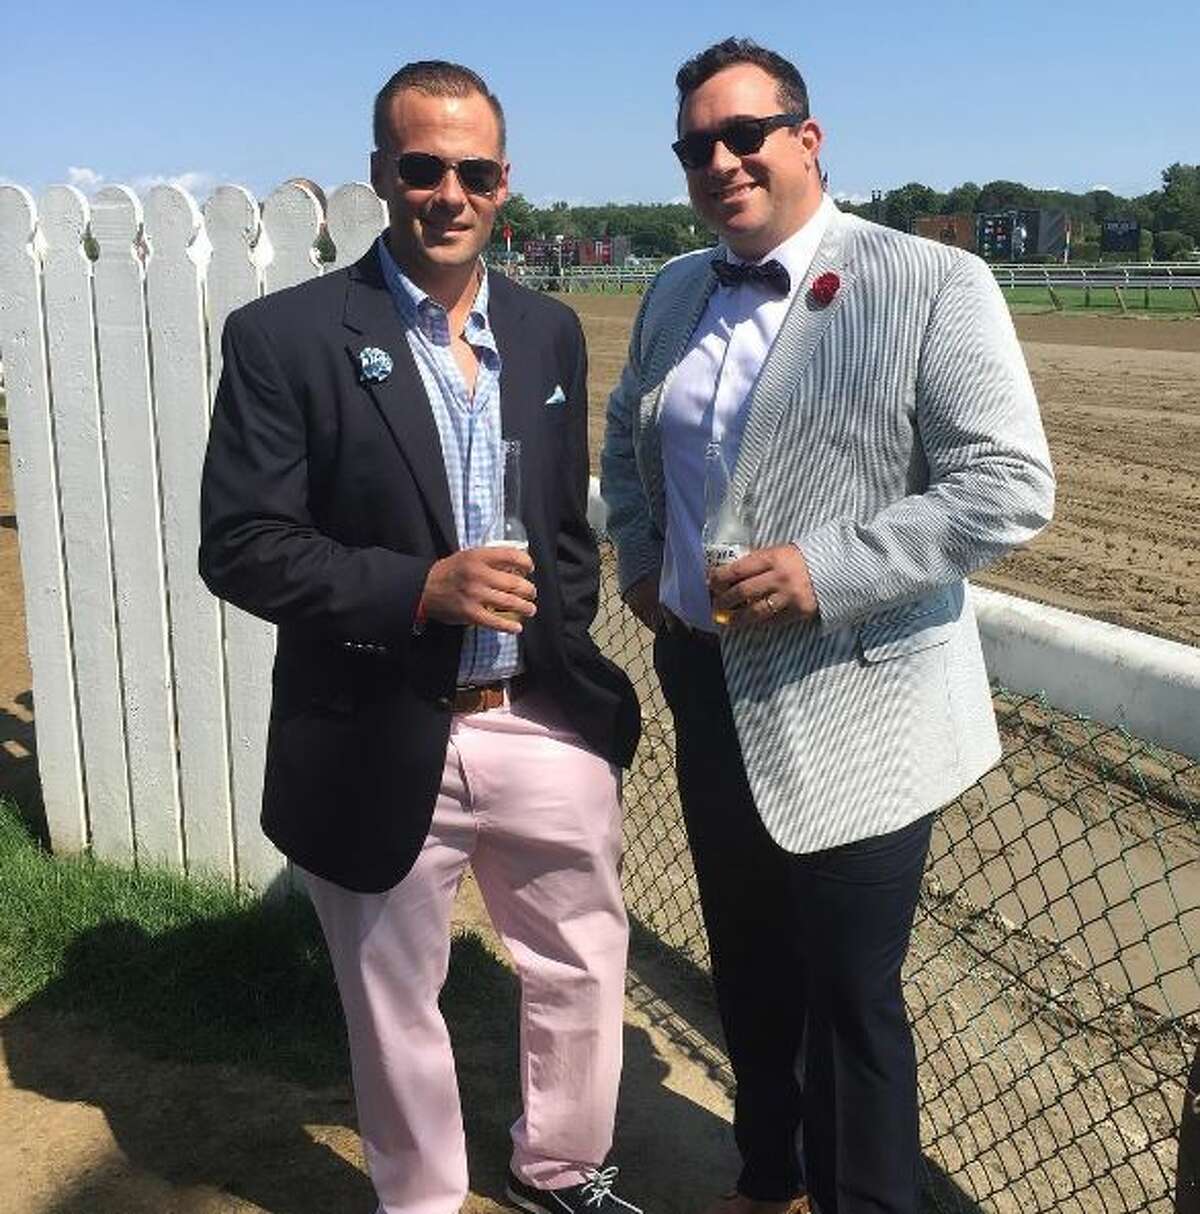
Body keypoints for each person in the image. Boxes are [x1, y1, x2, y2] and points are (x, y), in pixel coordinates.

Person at [601, 37, 1054, 1214]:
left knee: (854, 1003)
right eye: (697, 143)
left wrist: (826, 569)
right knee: (749, 975)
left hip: (860, 698)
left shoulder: (931, 281)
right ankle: (768, 1182)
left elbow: (1006, 482)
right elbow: (625, 436)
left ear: (807, 139)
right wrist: (646, 558)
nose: (721, 159)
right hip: (707, 683)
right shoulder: (671, 290)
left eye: (744, 133)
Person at [200, 59, 643, 1214]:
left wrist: (564, 653)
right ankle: (424, 1198)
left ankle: (558, 1170)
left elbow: (561, 529)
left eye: (475, 170)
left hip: (537, 717)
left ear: (506, 184)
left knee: (585, 964)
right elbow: (241, 542)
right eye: (423, 165)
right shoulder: (283, 336)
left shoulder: (546, 331)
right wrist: (421, 588)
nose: (450, 191)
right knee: (395, 996)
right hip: (375, 722)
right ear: (381, 175)